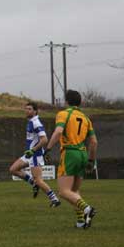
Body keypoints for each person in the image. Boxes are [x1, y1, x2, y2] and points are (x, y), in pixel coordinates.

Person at [45, 90, 98, 229]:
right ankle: (81, 221)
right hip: (83, 154)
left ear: (66, 101)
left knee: (63, 191)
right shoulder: (86, 118)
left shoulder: (63, 114)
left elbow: (58, 132)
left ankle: (87, 209)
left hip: (70, 153)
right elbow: (94, 142)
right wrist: (91, 160)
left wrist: (48, 148)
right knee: (74, 191)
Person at [9, 102, 61, 207]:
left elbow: (44, 139)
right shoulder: (30, 121)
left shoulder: (36, 122)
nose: (27, 111)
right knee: (13, 169)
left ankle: (54, 199)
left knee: (39, 180)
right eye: (26, 109)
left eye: (29, 109)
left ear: (35, 111)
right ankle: (33, 183)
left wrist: (33, 150)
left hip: (35, 155)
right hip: (29, 154)